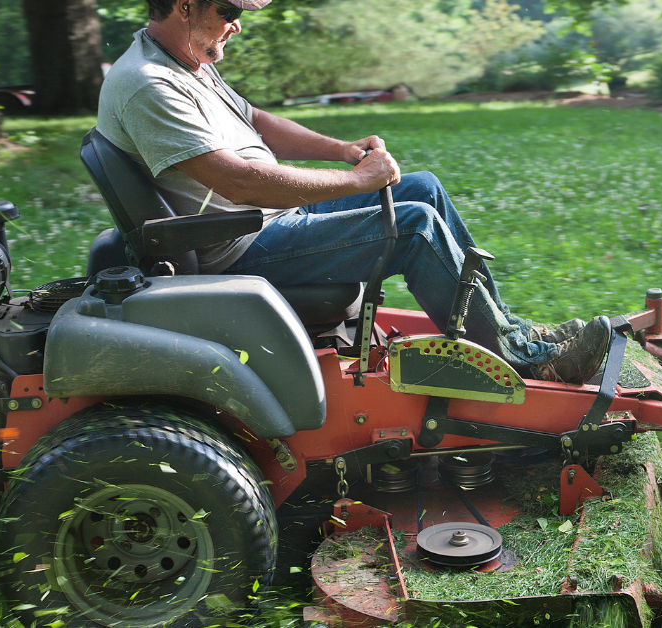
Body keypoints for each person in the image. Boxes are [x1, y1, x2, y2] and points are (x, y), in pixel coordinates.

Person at [96, 0, 611, 384]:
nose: (238, 23)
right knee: (414, 226)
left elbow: (255, 121)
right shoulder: (149, 84)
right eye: (229, 10)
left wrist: (342, 150)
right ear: (185, 6)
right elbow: (238, 180)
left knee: (422, 189)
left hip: (266, 219)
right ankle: (527, 362)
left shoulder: (187, 63)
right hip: (239, 246)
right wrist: (358, 181)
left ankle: (507, 330)